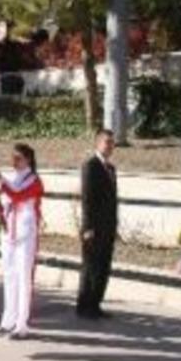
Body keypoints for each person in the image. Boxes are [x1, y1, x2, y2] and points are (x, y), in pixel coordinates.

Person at [0, 143, 43, 340]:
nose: (14, 161)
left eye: (18, 158)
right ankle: (8, 320)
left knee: (23, 278)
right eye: (12, 157)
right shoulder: (12, 178)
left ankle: (22, 325)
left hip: (25, 234)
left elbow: (18, 195)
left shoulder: (34, 180)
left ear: (28, 159)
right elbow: (6, 201)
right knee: (9, 276)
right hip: (8, 233)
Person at [77, 129, 118, 320]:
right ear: (98, 143)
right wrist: (88, 228)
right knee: (90, 267)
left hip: (108, 227)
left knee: (103, 267)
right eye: (107, 142)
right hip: (93, 228)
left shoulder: (111, 168)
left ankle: (96, 304)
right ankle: (84, 306)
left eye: (112, 143)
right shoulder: (90, 166)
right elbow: (87, 199)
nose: (110, 146)